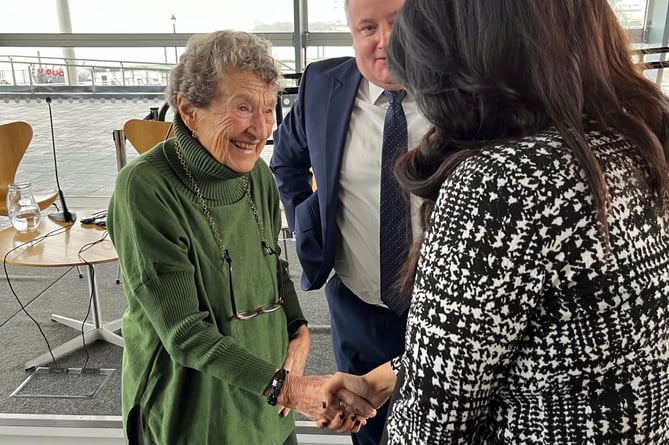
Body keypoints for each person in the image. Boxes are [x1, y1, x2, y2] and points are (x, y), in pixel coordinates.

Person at [320, 0, 669, 443]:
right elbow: (548, 347)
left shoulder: (500, 183)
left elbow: (431, 429)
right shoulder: (635, 145)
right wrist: (385, 379)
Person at [107, 30, 373, 445]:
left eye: (269, 109)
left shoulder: (259, 177)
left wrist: (298, 327)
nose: (260, 129)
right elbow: (185, 334)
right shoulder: (145, 188)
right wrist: (290, 389)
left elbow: (271, 265)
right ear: (189, 110)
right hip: (194, 410)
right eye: (243, 107)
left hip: (265, 400)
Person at [269, 0, 431, 442]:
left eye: (398, 24)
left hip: (444, 307)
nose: (384, 41)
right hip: (358, 302)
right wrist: (311, 224)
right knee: (366, 428)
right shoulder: (323, 86)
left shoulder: (466, 93)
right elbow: (285, 161)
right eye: (367, 28)